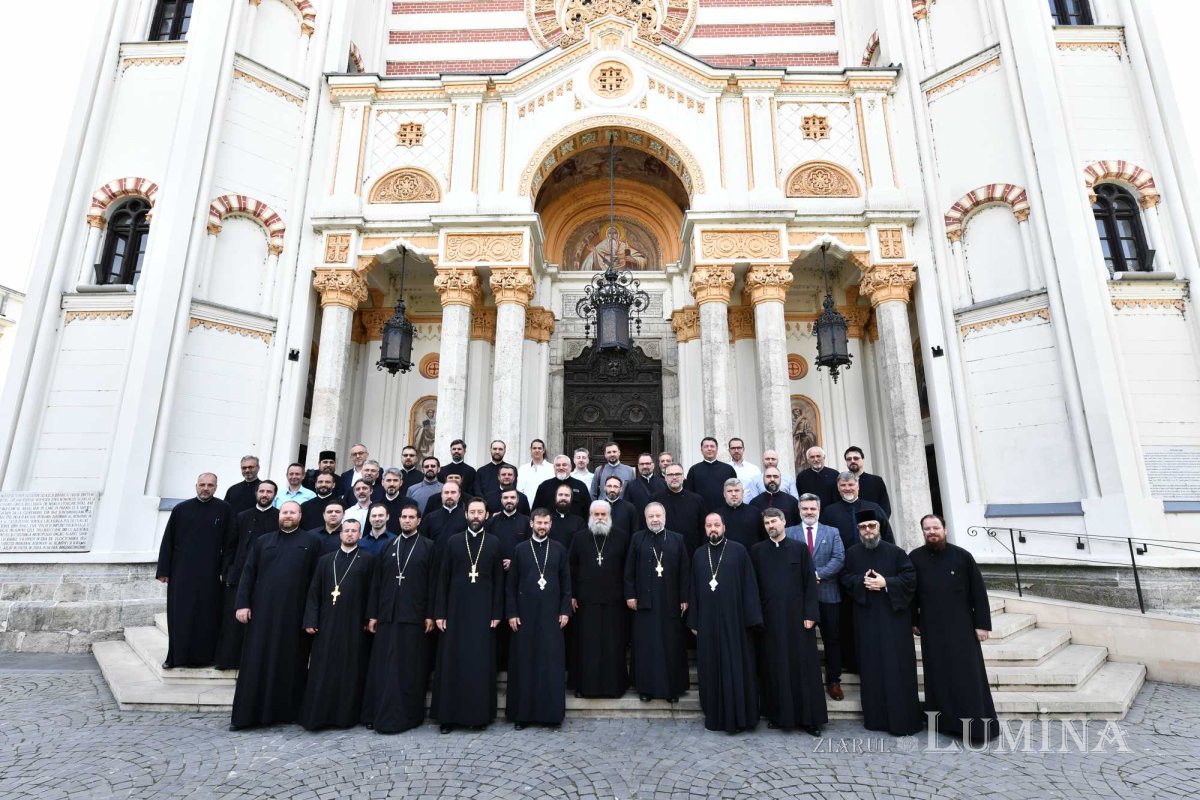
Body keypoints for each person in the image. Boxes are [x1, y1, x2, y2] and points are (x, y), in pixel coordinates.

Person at [229, 501, 322, 730]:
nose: (288, 515)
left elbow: (316, 582)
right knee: (256, 661)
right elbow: (248, 574)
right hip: (262, 615)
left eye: (292, 512)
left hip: (294, 615)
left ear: (300, 516)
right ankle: (249, 715)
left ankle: (287, 712)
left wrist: (311, 616)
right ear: (279, 515)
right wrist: (242, 604)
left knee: (292, 662)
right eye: (285, 512)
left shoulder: (312, 542)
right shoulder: (263, 541)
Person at [911, 514, 998, 742]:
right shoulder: (915, 558)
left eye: (935, 527)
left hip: (962, 627)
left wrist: (982, 624)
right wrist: (914, 621)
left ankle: (976, 727)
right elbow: (911, 594)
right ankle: (945, 724)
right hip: (931, 627)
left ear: (945, 530)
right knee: (938, 675)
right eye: (927, 528)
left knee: (967, 675)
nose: (931, 532)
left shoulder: (962, 557)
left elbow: (978, 592)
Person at [839, 510, 922, 736]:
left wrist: (887, 583)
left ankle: (904, 718)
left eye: (871, 526)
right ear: (858, 530)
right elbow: (845, 578)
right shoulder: (853, 554)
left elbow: (910, 579)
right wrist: (861, 582)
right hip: (866, 621)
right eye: (863, 527)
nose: (868, 531)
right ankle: (875, 718)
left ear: (879, 527)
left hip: (894, 622)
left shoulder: (896, 553)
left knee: (898, 668)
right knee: (872, 667)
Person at [432, 497, 505, 733]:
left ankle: (478, 716)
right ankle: (448, 717)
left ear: (486, 515)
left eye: (479, 512)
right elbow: (442, 578)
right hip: (455, 610)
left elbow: (499, 581)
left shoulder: (494, 542)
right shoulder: (453, 542)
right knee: (452, 662)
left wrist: (497, 612)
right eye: (472, 512)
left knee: (479, 663)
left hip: (484, 612)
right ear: (466, 515)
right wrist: (440, 612)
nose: (475, 516)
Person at [686, 513, 762, 734]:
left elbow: (749, 585)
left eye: (716, 525)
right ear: (705, 528)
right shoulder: (699, 554)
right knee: (711, 667)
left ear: (724, 527)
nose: (713, 529)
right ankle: (716, 715)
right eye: (709, 525)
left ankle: (741, 717)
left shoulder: (739, 551)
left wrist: (752, 619)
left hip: (735, 623)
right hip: (708, 623)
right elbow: (693, 588)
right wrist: (694, 620)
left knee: (736, 666)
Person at [752, 509, 826, 735]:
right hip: (771, 620)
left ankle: (810, 718)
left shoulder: (800, 549)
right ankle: (779, 716)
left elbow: (809, 584)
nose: (771, 525)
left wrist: (811, 615)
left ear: (784, 522)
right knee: (775, 667)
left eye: (774, 521)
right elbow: (753, 587)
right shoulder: (757, 551)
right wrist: (757, 618)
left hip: (798, 620)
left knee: (803, 667)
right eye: (767, 522)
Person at [362, 503, 435, 734]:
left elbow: (433, 585)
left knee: (408, 667)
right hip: (387, 616)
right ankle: (378, 712)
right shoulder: (387, 546)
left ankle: (409, 715)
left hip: (414, 617)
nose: (406, 521)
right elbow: (376, 583)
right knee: (383, 667)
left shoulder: (429, 547)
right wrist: (372, 614)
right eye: (403, 517)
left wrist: (431, 614)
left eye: (411, 517)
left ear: (419, 521)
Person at [299, 518, 374, 731]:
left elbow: (372, 593)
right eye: (346, 531)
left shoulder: (368, 560)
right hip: (326, 624)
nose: (350, 534)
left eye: (354, 531)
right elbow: (313, 593)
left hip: (354, 625)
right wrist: (311, 620)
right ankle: (318, 715)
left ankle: (344, 717)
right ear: (340, 534)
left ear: (360, 535)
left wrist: (369, 619)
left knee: (350, 669)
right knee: (322, 669)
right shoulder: (325, 560)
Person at [156, 472, 234, 669]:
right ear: (196, 486)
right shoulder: (181, 509)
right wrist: (164, 570)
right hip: (181, 572)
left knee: (207, 615)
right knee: (179, 615)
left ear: (216, 487)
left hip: (210, 572)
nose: (205, 488)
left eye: (210, 485)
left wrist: (226, 571)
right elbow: (168, 540)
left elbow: (230, 544)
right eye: (202, 484)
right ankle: (175, 657)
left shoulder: (224, 509)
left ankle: (206, 657)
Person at [506, 508, 572, 729]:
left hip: (552, 615)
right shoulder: (520, 550)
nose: (542, 527)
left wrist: (565, 610)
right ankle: (522, 715)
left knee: (550, 664)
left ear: (550, 525)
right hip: (524, 616)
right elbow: (511, 585)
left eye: (546, 523)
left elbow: (566, 584)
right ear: (531, 524)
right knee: (525, 663)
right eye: (539, 523)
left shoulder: (559, 549)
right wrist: (512, 613)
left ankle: (551, 715)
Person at [624, 502, 690, 702]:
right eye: (651, 516)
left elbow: (684, 571)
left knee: (670, 645)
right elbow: (629, 571)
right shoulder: (637, 539)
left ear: (664, 517)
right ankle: (646, 689)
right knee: (646, 646)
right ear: (646, 519)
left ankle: (672, 689)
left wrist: (684, 598)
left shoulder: (677, 539)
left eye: (658, 515)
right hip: (645, 602)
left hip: (670, 602)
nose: (655, 519)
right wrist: (630, 595)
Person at [786, 494, 845, 701]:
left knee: (832, 640)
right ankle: (805, 681)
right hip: (800, 597)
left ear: (818, 510)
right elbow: (785, 561)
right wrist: (806, 579)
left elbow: (839, 558)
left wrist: (817, 575)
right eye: (805, 509)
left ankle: (834, 681)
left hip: (828, 594)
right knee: (802, 641)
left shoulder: (832, 532)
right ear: (799, 510)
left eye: (812, 508)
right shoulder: (789, 533)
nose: (809, 512)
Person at [568, 501, 630, 698]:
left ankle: (614, 688)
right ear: (590, 516)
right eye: (596, 515)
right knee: (588, 645)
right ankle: (586, 687)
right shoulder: (579, 538)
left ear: (610, 515)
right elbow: (571, 569)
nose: (600, 518)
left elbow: (628, 570)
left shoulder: (621, 537)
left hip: (615, 602)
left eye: (604, 514)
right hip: (586, 602)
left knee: (613, 645)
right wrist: (572, 595)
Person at [214, 480, 278, 670]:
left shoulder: (278, 517)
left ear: (274, 495)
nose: (265, 495)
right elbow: (230, 546)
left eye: (269, 492)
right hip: (239, 575)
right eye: (262, 491)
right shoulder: (242, 517)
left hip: (267, 576)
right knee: (233, 621)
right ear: (256, 494)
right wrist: (227, 571)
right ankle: (228, 660)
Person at [651, 463, 705, 553]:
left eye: (678, 474)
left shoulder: (697, 500)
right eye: (670, 475)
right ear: (665, 478)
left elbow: (702, 528)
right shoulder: (655, 499)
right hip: (663, 551)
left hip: (691, 550)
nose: (674, 477)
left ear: (683, 477)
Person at [685, 437, 738, 513]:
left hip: (725, 512)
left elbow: (734, 492)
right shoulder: (693, 470)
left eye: (712, 446)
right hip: (701, 513)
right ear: (701, 450)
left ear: (717, 449)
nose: (709, 449)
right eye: (706, 446)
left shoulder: (728, 469)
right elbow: (689, 495)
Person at [533, 455, 590, 520]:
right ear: (554, 468)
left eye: (564, 465)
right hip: (550, 527)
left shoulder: (581, 486)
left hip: (576, 528)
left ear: (570, 467)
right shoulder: (544, 486)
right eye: (558, 465)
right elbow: (536, 511)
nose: (561, 467)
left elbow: (587, 511)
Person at [716, 478, 763, 550]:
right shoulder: (717, 515)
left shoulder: (755, 512)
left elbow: (762, 538)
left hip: (750, 558)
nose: (733, 494)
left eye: (737, 490)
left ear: (742, 492)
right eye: (729, 491)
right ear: (724, 494)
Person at [844, 446, 892, 517]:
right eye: (849, 459)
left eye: (856, 458)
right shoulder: (842, 482)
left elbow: (885, 507)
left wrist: (877, 524)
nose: (852, 461)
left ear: (862, 460)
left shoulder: (876, 481)